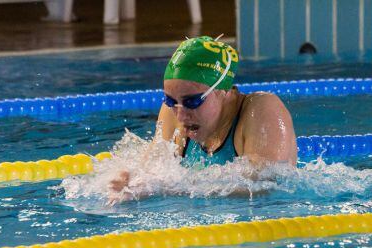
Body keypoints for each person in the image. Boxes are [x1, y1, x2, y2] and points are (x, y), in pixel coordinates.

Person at [108, 36, 298, 200]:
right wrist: (130, 181)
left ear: (223, 91)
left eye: (192, 101)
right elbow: (152, 169)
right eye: (170, 100)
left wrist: (169, 188)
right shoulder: (171, 111)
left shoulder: (262, 111)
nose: (181, 114)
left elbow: (266, 187)